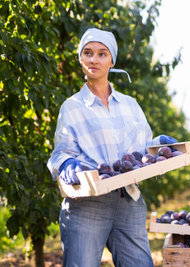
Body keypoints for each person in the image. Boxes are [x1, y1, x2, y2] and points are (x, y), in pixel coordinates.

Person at [47, 28, 177, 266]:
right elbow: (61, 151)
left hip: (129, 199)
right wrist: (66, 162)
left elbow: (142, 150)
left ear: (112, 60)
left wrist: (160, 146)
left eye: (101, 54)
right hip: (88, 203)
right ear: (80, 58)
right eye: (88, 53)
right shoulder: (72, 107)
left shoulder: (130, 105)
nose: (94, 59)